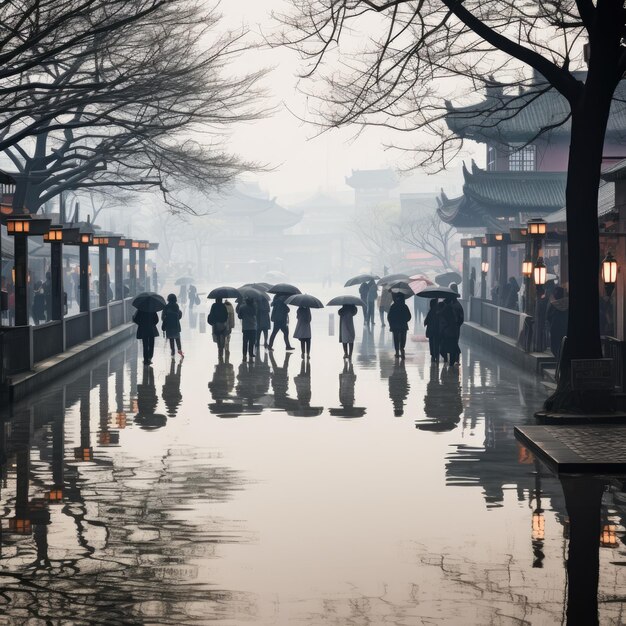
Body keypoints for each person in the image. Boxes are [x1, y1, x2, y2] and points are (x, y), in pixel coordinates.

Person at [440, 295, 464, 366]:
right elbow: (461, 319)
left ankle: (448, 360)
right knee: (453, 346)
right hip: (454, 331)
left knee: (445, 346)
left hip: (447, 332)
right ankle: (453, 361)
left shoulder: (446, 308)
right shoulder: (457, 306)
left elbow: (442, 321)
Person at [387, 293, 412, 359]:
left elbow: (389, 317)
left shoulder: (393, 306)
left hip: (395, 326)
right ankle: (402, 349)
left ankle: (397, 352)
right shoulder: (405, 306)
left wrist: (391, 324)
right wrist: (404, 320)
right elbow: (409, 316)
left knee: (396, 339)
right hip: (403, 326)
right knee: (403, 339)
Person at [547, 286, 568, 359]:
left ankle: (557, 356)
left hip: (555, 326)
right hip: (565, 327)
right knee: (563, 342)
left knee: (555, 342)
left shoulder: (553, 304)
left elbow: (548, 316)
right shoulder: (567, 302)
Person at [161, 293, 184, 358]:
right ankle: (179, 350)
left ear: (168, 299)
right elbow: (179, 316)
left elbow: (162, 317)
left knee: (171, 338)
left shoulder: (166, 307)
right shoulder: (176, 306)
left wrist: (166, 319)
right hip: (176, 325)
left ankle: (172, 350)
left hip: (169, 325)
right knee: (177, 338)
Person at [238, 296, 257, 361]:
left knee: (245, 341)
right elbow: (255, 314)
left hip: (245, 327)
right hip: (253, 327)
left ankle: (244, 354)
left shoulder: (242, 307)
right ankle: (251, 353)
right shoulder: (254, 307)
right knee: (252, 341)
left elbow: (239, 317)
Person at [424, 298, 440, 362]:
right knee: (437, 343)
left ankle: (433, 355)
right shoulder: (439, 311)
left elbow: (426, 322)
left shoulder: (430, 312)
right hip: (438, 330)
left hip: (431, 330)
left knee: (431, 343)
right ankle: (437, 354)